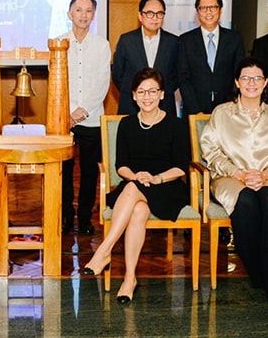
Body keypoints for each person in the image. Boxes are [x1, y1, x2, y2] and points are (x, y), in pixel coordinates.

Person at [81, 69, 190, 304]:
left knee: (132, 190)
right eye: (141, 92)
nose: (147, 96)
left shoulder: (176, 125)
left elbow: (181, 167)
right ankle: (129, 279)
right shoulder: (127, 124)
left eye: (152, 91)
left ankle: (104, 251)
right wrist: (137, 176)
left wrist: (156, 178)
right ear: (133, 95)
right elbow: (121, 166)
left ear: (162, 94)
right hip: (135, 183)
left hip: (167, 186)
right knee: (138, 209)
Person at [199, 57, 268, 304]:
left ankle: (266, 276)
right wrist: (240, 174)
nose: (251, 83)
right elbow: (210, 151)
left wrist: (265, 174)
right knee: (245, 202)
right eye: (245, 77)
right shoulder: (221, 113)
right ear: (237, 82)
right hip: (230, 177)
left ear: (265, 82)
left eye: (257, 78)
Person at [58, 0, 111, 235]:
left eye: (88, 10)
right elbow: (55, 83)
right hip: (63, 119)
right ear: (69, 13)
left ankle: (85, 217)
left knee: (90, 172)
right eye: (78, 10)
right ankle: (66, 215)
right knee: (64, 171)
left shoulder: (102, 44)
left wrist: (82, 110)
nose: (83, 15)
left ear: (93, 15)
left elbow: (102, 82)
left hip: (91, 118)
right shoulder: (57, 43)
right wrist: (67, 114)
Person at [178, 0, 246, 115]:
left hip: (228, 109)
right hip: (195, 110)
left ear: (220, 10)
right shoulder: (185, 40)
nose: (208, 12)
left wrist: (230, 105)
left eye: (213, 7)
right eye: (203, 8)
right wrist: (195, 110)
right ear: (197, 12)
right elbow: (183, 79)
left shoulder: (234, 39)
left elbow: (239, 74)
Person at [111, 0, 179, 116]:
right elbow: (117, 74)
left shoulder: (174, 42)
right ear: (140, 16)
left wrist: (158, 93)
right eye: (149, 13)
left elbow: (178, 75)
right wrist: (137, 94)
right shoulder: (126, 40)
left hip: (164, 106)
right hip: (131, 107)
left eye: (159, 13)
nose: (155, 18)